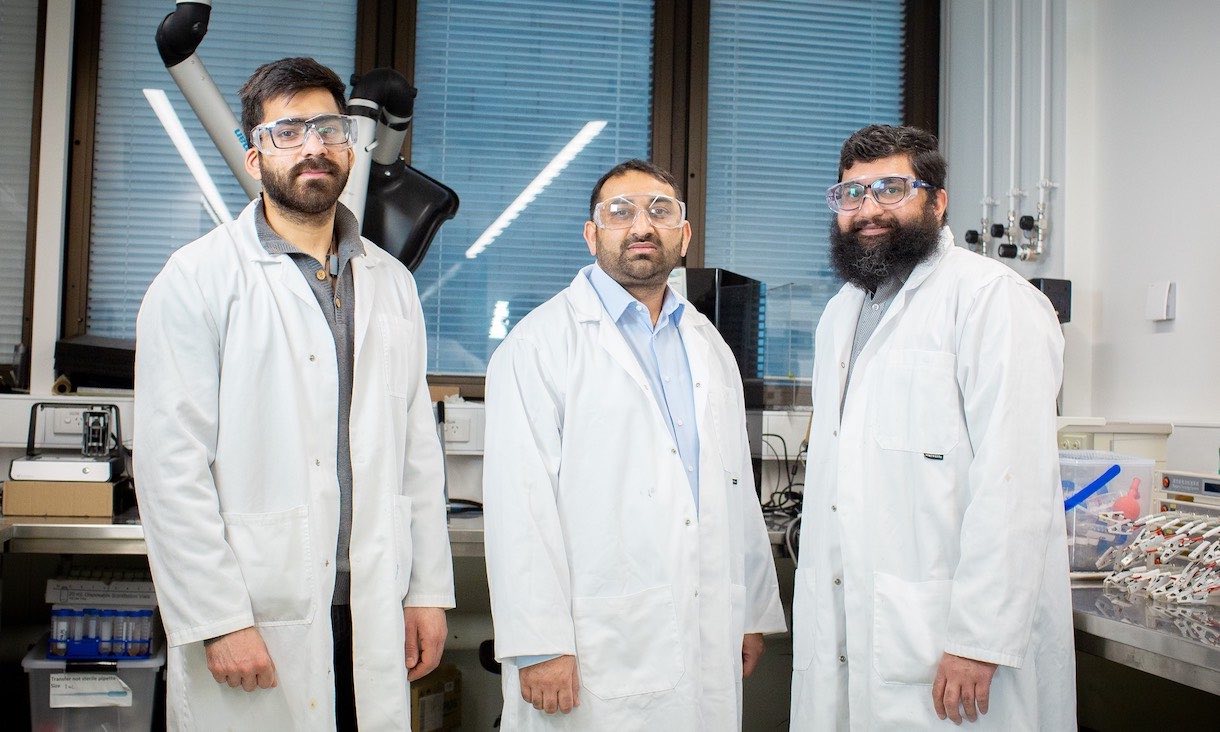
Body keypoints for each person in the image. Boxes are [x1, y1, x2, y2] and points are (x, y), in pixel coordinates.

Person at [134, 57, 454, 730]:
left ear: (350, 148)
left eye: (329, 129)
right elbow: (170, 467)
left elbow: (416, 453)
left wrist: (426, 590)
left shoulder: (391, 282)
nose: (313, 146)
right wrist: (217, 619)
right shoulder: (197, 280)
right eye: (288, 132)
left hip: (372, 602)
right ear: (255, 157)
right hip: (257, 605)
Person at [788, 124, 1074, 730]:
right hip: (855, 623)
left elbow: (1015, 484)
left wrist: (979, 639)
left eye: (891, 189)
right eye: (851, 194)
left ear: (937, 201)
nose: (868, 209)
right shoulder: (841, 314)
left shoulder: (993, 299)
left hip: (949, 641)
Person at [482, 159, 786, 730]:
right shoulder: (540, 344)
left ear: (684, 235)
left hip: (706, 624)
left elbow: (734, 488)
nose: (641, 226)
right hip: (594, 641)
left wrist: (749, 611)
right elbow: (518, 507)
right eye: (620, 212)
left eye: (660, 211)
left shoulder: (708, 343)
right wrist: (539, 644)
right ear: (591, 234)